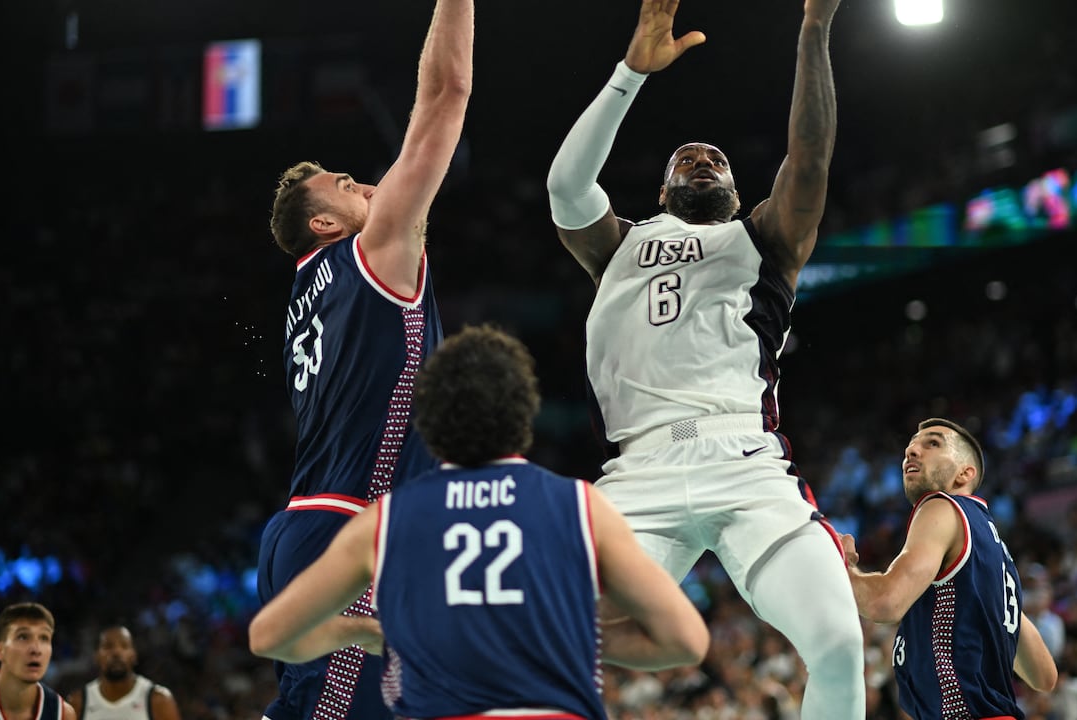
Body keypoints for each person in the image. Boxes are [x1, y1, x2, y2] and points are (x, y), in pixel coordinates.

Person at [544, 0, 864, 716]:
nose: (702, 162)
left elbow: (810, 158)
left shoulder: (767, 238)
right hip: (638, 472)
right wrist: (630, 73)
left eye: (715, 160)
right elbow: (566, 187)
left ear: (737, 191)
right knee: (540, 627)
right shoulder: (617, 245)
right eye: (686, 160)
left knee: (839, 643)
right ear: (663, 192)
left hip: (744, 462)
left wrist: (814, 29)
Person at [248, 324, 710, 719]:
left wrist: (364, 631)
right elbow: (685, 641)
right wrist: (564, 633)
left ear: (428, 420)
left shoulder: (386, 521)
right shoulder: (581, 505)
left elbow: (269, 636)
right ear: (525, 411)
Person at [254, 0, 473, 715]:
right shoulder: (371, 253)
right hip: (351, 529)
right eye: (346, 187)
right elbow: (445, 95)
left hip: (307, 526)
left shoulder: (306, 292)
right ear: (324, 223)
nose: (368, 184)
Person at [840, 418, 1058, 720]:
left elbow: (884, 602)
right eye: (911, 445)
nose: (912, 451)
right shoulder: (995, 557)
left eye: (932, 443)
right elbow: (1044, 676)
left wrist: (840, 567)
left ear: (964, 473)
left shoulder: (940, 506)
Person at [0, 602, 78, 720]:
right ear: (0, 651)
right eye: (23, 637)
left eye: (44, 638)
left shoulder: (63, 714)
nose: (36, 649)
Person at [66, 625, 181, 720]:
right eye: (108, 646)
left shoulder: (159, 700)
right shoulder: (77, 703)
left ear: (134, 655)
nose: (116, 652)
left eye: (124, 646)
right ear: (96, 656)